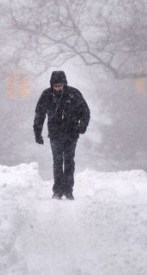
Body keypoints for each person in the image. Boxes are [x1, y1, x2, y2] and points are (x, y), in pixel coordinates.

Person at [33, 70, 90, 200]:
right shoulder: (47, 95)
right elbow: (39, 115)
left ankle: (68, 190)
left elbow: (85, 111)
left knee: (69, 161)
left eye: (60, 85)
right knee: (57, 162)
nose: (58, 88)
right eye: (55, 86)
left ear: (64, 83)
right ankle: (58, 190)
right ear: (51, 84)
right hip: (55, 134)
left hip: (72, 133)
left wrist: (82, 125)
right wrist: (37, 133)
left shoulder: (74, 94)